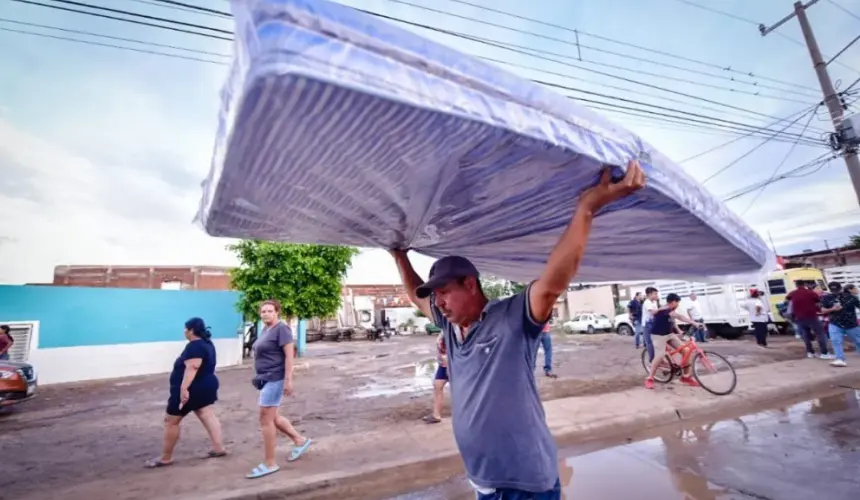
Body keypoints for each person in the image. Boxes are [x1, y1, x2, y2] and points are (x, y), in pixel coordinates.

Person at [390, 161, 645, 499]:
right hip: (483, 480)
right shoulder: (450, 326)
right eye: (434, 296)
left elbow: (553, 282)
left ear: (470, 285)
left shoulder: (512, 316)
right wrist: (399, 255)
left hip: (525, 482)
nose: (438, 302)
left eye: (444, 292)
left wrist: (586, 209)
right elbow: (414, 294)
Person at [146, 318, 226, 468]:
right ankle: (218, 448)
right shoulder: (207, 343)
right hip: (206, 385)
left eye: (185, 329)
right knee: (205, 413)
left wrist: (184, 389)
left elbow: (193, 367)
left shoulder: (195, 346)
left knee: (171, 421)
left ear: (191, 330)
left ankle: (165, 457)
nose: (184, 331)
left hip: (193, 388)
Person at [247, 300, 312, 479]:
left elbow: (289, 356)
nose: (266, 314)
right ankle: (300, 440)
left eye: (269, 311)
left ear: (277, 313)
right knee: (273, 417)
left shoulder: (282, 329)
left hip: (275, 378)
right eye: (263, 311)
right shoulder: (265, 330)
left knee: (265, 418)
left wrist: (288, 380)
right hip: (265, 378)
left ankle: (270, 463)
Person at [644, 293, 703, 389]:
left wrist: (679, 332)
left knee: (686, 351)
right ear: (673, 302)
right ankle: (650, 378)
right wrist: (694, 323)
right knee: (660, 355)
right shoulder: (665, 309)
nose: (678, 305)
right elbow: (680, 317)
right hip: (658, 335)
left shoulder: (670, 310)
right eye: (678, 302)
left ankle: (685, 377)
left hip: (669, 334)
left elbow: (673, 321)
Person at [787, 280, 832, 359]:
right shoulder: (811, 293)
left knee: (805, 335)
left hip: (799, 317)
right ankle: (824, 353)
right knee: (820, 334)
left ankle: (810, 352)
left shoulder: (792, 293)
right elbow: (818, 303)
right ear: (804, 284)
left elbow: (788, 301)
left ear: (796, 285)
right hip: (811, 316)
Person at [821, 282, 860, 368]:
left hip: (851, 323)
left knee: (858, 340)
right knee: (836, 341)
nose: (835, 292)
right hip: (835, 323)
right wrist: (833, 309)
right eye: (833, 290)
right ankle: (840, 359)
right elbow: (823, 310)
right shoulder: (827, 297)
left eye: (837, 290)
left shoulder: (851, 297)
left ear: (840, 288)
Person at [424, 332, 449, 424]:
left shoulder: (450, 331)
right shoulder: (444, 330)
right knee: (437, 385)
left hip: (449, 364)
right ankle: (436, 414)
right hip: (443, 364)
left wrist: (448, 367)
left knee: (460, 390)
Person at [641, 287, 660, 362]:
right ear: (649, 294)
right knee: (649, 342)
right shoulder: (647, 302)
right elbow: (653, 312)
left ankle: (659, 358)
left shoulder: (654, 302)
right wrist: (661, 309)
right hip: (647, 325)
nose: (656, 295)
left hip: (654, 323)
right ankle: (652, 360)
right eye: (655, 294)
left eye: (656, 294)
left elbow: (657, 313)